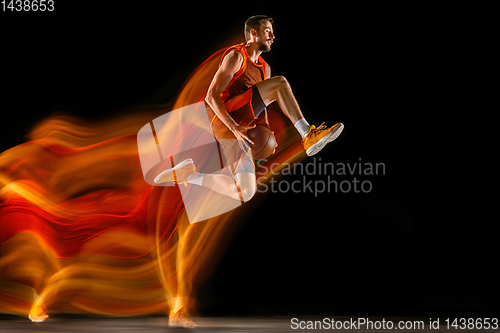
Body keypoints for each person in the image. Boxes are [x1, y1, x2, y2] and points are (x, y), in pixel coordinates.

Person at [155, 15, 344, 206]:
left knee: (245, 192)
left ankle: (188, 175)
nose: (273, 36)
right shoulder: (237, 56)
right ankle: (307, 134)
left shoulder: (265, 68)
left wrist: (266, 131)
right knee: (280, 84)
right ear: (253, 33)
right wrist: (234, 127)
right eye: (268, 31)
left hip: (239, 130)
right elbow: (211, 96)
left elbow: (260, 105)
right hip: (227, 120)